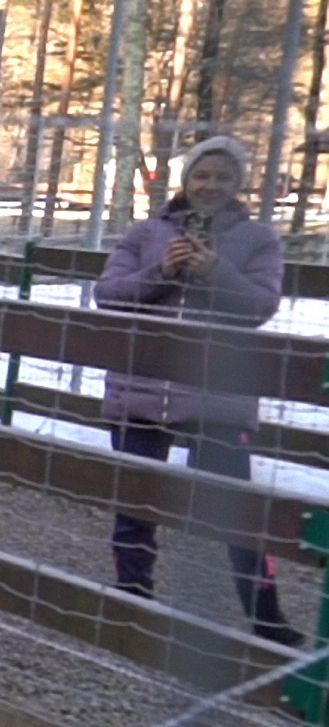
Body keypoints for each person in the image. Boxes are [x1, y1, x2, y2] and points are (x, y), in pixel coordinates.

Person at [93, 134, 305, 648]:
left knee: (235, 507)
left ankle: (264, 614)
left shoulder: (258, 240)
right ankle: (132, 598)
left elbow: (258, 307)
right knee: (135, 504)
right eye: (202, 176)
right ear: (185, 181)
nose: (210, 186)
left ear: (239, 184)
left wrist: (216, 272)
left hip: (217, 396)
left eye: (222, 177)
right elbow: (108, 295)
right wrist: (160, 272)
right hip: (141, 389)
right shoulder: (146, 234)